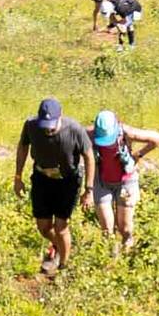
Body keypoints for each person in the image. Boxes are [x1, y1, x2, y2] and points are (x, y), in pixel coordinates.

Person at [14, 99, 95, 273]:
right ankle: (59, 246)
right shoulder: (31, 125)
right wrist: (18, 177)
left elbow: (89, 156)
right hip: (42, 178)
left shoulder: (74, 129)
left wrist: (89, 190)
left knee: (61, 226)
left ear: (61, 116)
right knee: (43, 227)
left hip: (68, 181)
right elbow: (22, 147)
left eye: (51, 125)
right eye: (45, 125)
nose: (48, 129)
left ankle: (64, 266)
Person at [86, 112, 159, 252]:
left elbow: (157, 139)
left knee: (125, 227)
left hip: (126, 182)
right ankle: (110, 258)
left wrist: (139, 155)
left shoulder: (126, 132)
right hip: (102, 183)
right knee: (107, 229)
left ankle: (127, 250)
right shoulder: (89, 134)